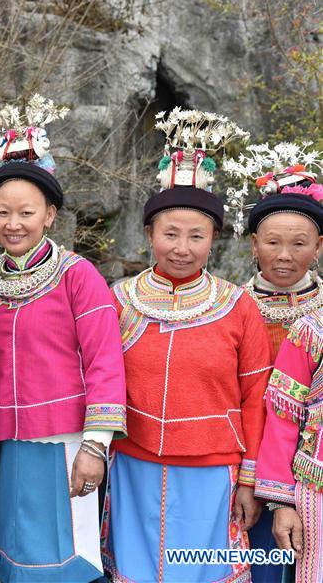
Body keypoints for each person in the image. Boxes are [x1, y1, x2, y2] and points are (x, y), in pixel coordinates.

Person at [101, 110, 271, 582]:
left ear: (214, 239)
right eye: (170, 233)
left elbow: (255, 397)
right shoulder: (119, 300)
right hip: (133, 462)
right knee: (138, 569)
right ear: (150, 233)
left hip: (213, 470)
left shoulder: (237, 307)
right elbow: (98, 379)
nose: (182, 247)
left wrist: (250, 479)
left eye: (196, 236)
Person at [0, 96, 126, 582]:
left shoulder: (78, 275)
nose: (13, 223)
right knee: (15, 557)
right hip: (8, 444)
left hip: (67, 441)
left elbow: (105, 360)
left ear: (51, 216)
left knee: (70, 559)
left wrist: (95, 445)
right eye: (3, 212)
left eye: (26, 212)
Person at [225, 141, 323, 582]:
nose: (285, 255)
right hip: (238, 460)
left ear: (318, 247)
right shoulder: (228, 308)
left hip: (309, 470)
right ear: (253, 244)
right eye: (273, 242)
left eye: (299, 243)